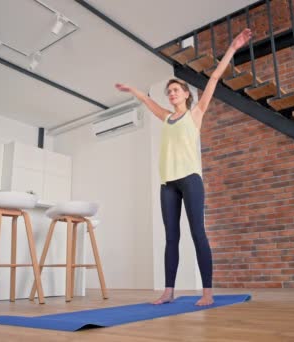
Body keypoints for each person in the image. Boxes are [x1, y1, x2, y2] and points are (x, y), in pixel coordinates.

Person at [115, 28, 253, 306]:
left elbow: (214, 77)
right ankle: (168, 291)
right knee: (171, 238)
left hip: (190, 180)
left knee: (197, 232)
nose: (171, 94)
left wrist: (233, 48)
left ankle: (207, 293)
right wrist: (133, 90)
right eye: (169, 92)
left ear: (187, 94)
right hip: (168, 183)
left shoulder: (196, 113)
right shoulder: (166, 118)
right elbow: (148, 101)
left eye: (175, 90)